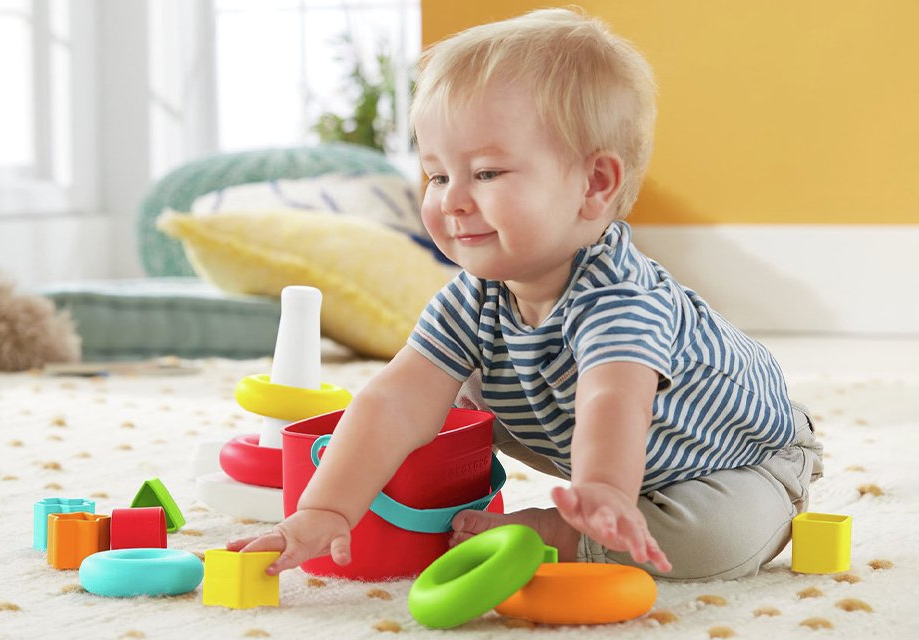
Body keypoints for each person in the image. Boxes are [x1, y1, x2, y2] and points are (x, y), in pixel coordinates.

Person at [227, 7, 823, 580]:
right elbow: (393, 402)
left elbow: (613, 400)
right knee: (440, 392)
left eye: (486, 173)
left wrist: (603, 492)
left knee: (713, 542)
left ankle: (562, 533)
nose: (452, 199)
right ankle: (585, 511)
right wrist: (325, 508)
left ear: (593, 184)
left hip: (733, 462)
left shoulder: (618, 297)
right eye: (438, 174)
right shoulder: (471, 298)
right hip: (583, 442)